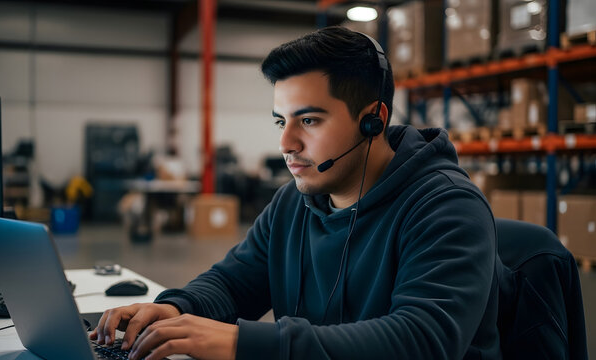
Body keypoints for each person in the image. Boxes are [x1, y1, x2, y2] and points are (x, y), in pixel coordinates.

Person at [90, 26, 500, 360]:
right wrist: (176, 307)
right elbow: (234, 283)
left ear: (373, 120)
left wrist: (241, 343)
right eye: (280, 122)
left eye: (308, 120)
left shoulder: (446, 206)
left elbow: (422, 341)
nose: (286, 143)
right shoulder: (294, 202)